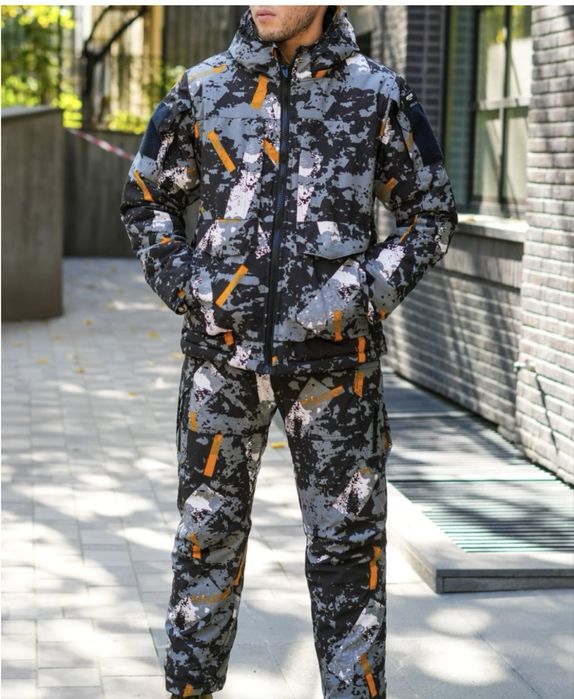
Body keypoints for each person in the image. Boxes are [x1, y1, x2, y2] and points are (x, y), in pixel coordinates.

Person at [120, 5, 457, 698]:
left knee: (349, 559)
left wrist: (357, 294)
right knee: (205, 543)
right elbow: (146, 199)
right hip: (221, 367)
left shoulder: (376, 92)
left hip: (337, 375)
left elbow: (431, 212)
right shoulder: (204, 87)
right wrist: (192, 288)